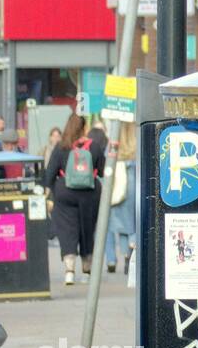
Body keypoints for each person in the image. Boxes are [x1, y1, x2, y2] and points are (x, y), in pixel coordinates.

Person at [45, 114, 104, 285]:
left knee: (67, 229)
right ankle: (87, 268)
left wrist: (49, 193)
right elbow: (101, 171)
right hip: (89, 193)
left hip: (65, 193)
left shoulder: (61, 146)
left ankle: (69, 270)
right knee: (87, 229)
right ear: (84, 128)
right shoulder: (94, 147)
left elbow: (49, 174)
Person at [105, 122, 137, 274]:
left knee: (121, 224)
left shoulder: (115, 141)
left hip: (119, 184)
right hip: (135, 181)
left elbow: (106, 158)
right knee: (133, 223)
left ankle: (125, 255)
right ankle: (130, 251)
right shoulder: (137, 140)